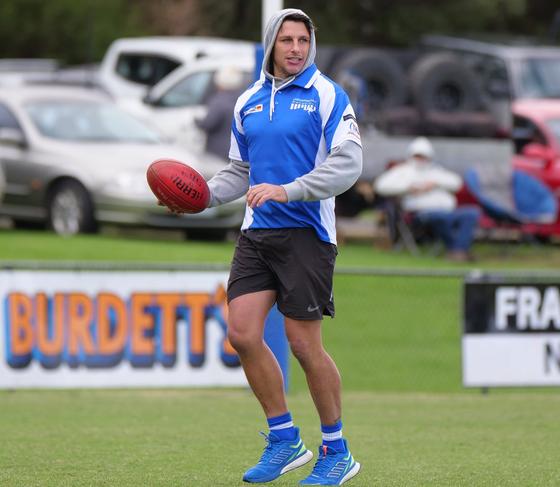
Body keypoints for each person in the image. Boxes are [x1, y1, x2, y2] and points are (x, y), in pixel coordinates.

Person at [199, 8, 362, 485]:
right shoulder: (248, 101)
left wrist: (288, 189)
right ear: (272, 43)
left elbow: (348, 166)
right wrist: (203, 197)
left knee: (304, 346)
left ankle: (336, 450)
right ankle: (285, 439)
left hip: (307, 233)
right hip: (256, 234)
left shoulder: (328, 95)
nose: (295, 48)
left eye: (303, 40)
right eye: (287, 39)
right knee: (243, 334)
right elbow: (240, 171)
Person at [374, 136, 480, 261]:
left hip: (447, 210)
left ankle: (457, 250)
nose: (421, 159)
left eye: (424, 156)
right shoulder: (403, 171)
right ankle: (458, 251)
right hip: (420, 214)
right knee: (441, 217)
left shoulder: (436, 171)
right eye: (418, 155)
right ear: (411, 155)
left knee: (471, 213)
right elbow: (380, 185)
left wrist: (435, 183)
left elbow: (456, 182)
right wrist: (409, 188)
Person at [195, 65, 245, 159]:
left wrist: (197, 122)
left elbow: (208, 124)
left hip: (217, 152)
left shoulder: (219, 101)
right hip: (237, 151)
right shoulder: (243, 99)